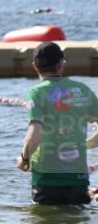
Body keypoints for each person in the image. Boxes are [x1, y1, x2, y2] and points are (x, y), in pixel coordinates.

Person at [16, 42, 98, 205]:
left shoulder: (37, 92)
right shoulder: (82, 90)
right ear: (61, 64)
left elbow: (35, 133)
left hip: (46, 179)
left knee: (46, 223)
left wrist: (24, 158)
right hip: (78, 178)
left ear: (34, 66)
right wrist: (85, 144)